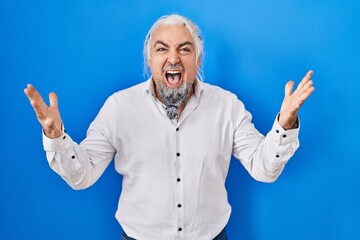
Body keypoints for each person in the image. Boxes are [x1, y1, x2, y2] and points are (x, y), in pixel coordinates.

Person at [24, 14, 315, 240]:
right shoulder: (119, 107)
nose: (173, 58)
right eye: (162, 49)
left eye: (184, 49)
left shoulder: (227, 106)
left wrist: (284, 124)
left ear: (197, 59)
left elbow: (263, 169)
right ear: (149, 59)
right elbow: (81, 176)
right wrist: (55, 135)